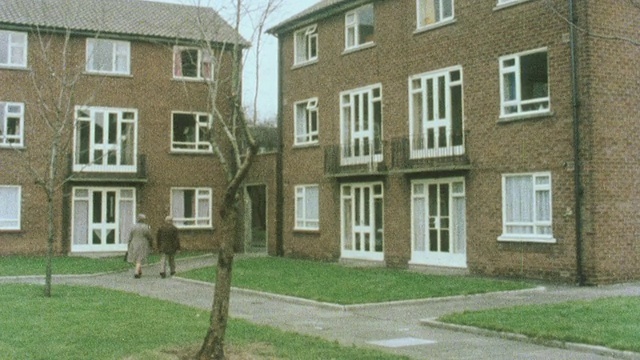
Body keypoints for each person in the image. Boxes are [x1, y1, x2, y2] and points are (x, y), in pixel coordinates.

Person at [127, 213, 153, 278]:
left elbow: (130, 236)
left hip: (134, 243)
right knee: (139, 258)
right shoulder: (146, 227)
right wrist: (151, 243)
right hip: (142, 244)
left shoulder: (133, 227)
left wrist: (129, 243)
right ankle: (136, 272)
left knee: (137, 258)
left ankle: (139, 271)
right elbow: (149, 236)